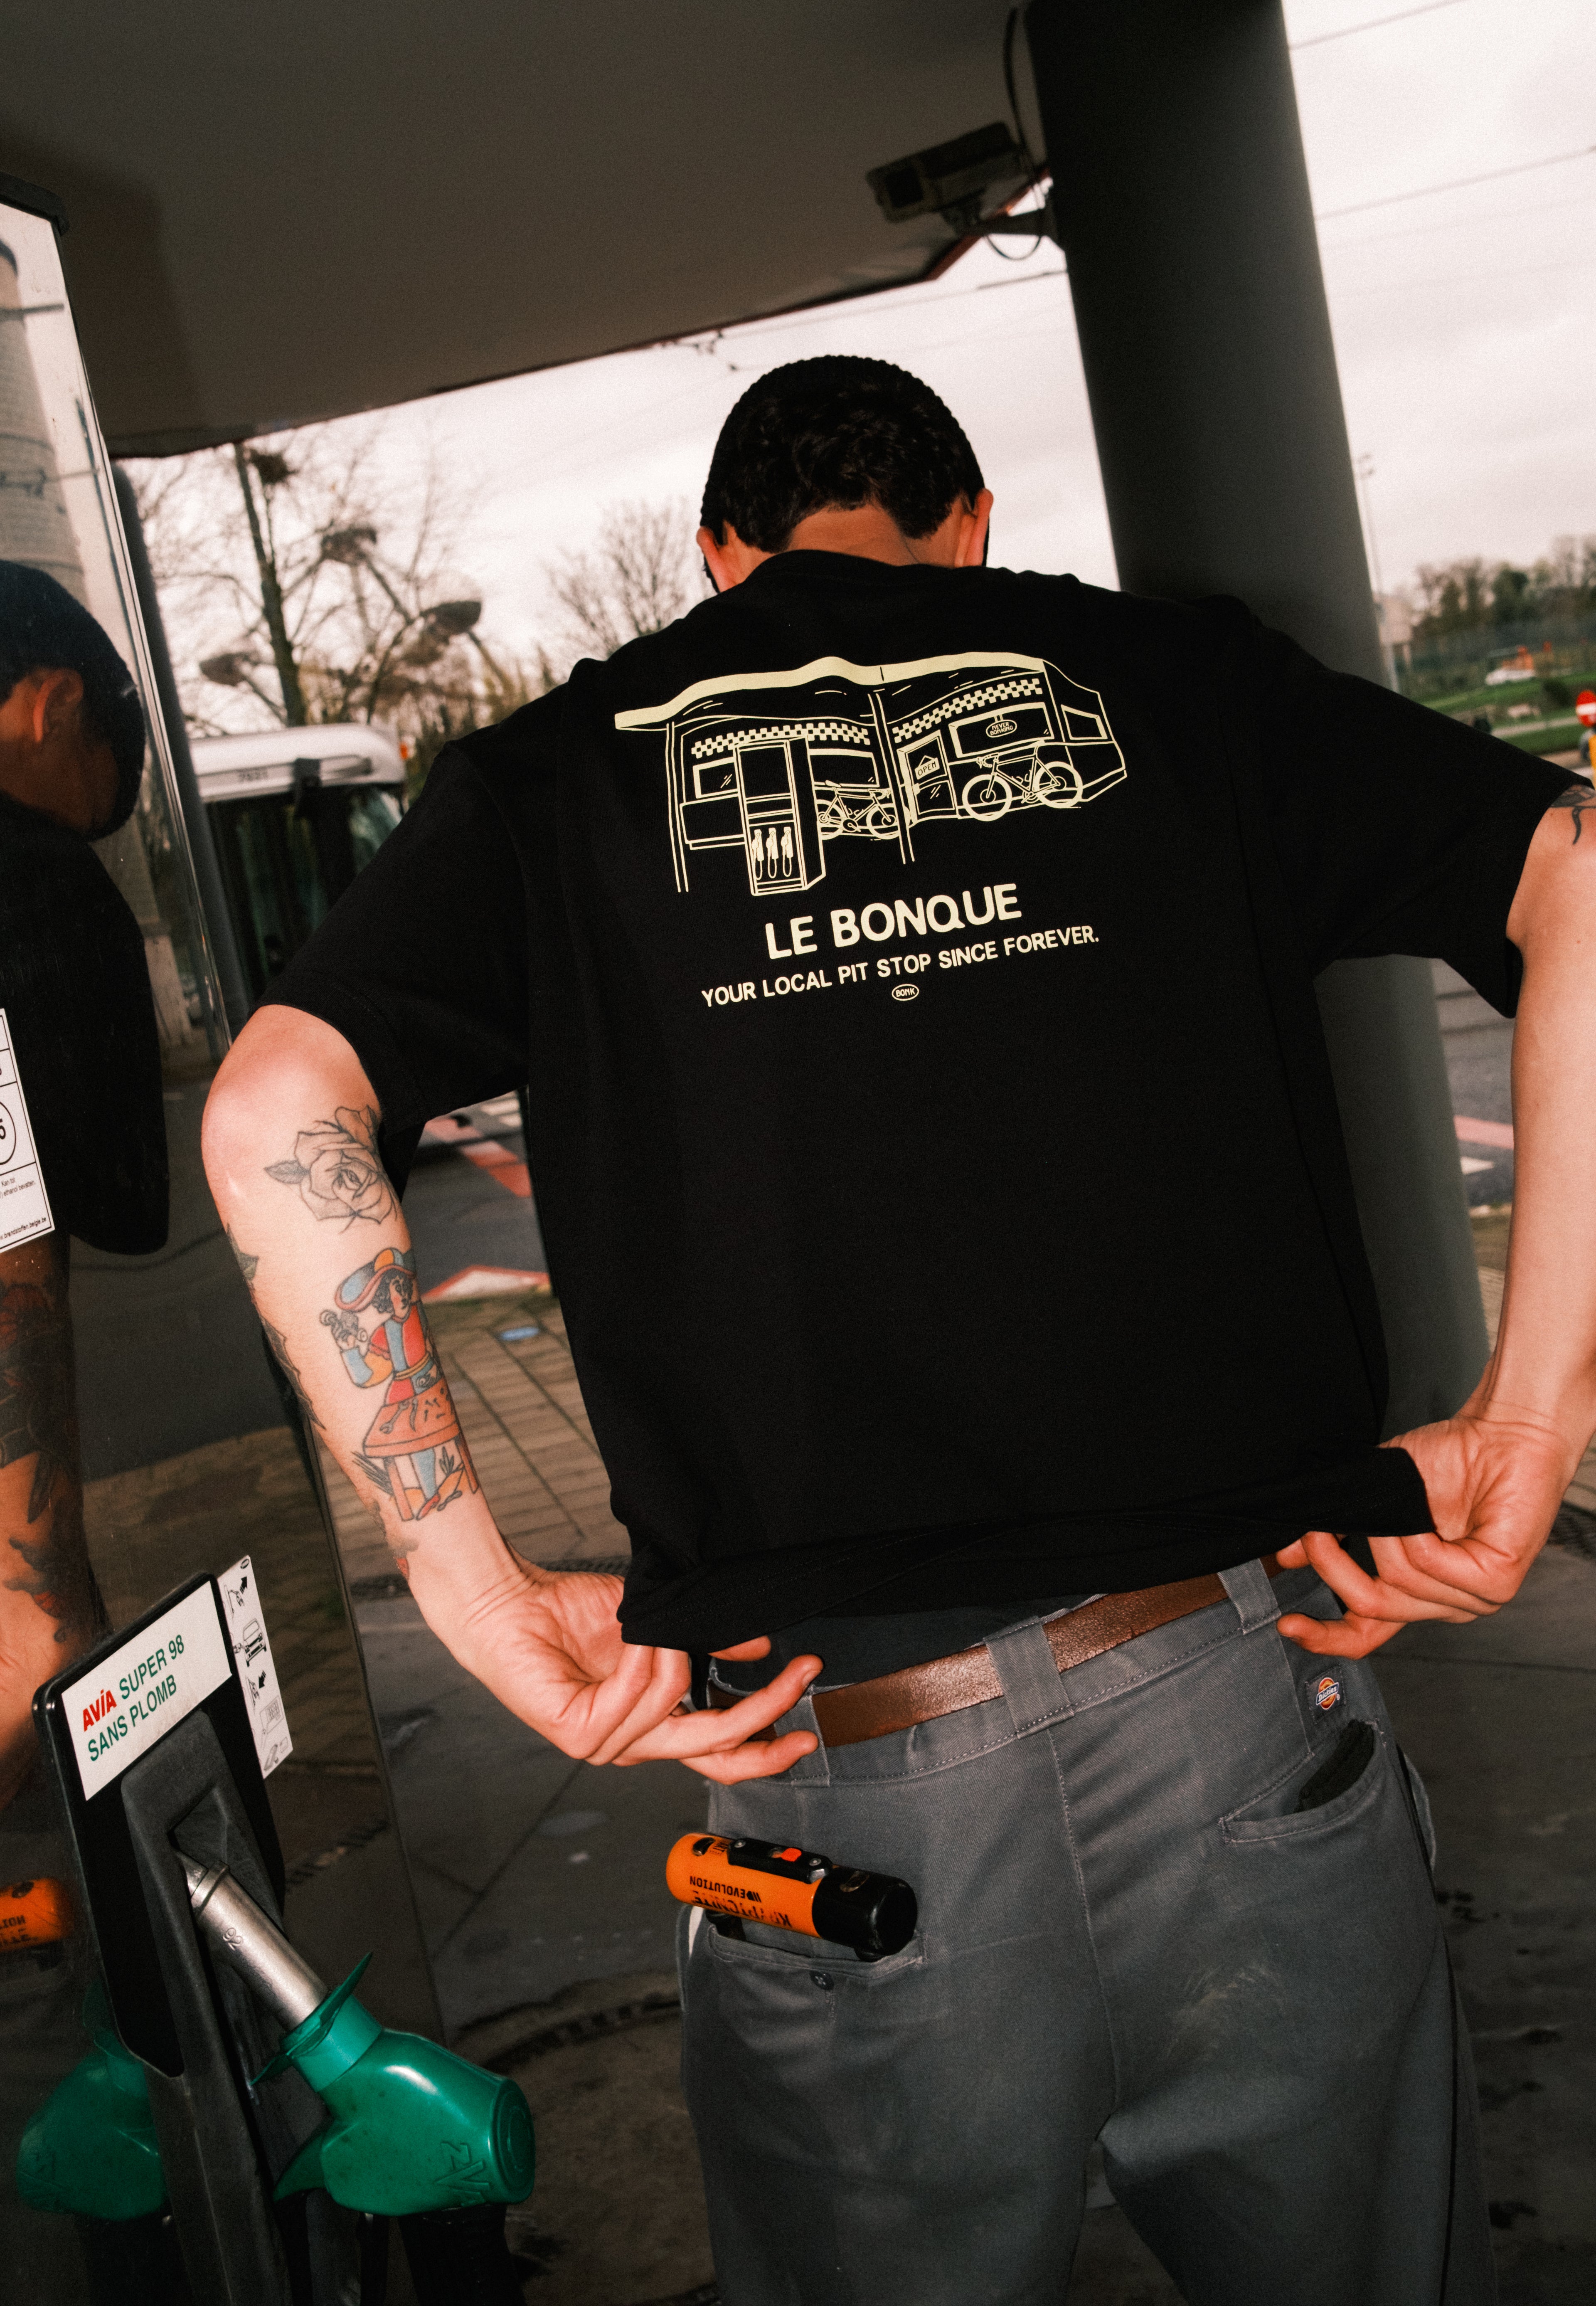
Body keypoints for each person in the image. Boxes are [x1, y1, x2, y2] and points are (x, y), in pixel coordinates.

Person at [201, 358, 1596, 2306]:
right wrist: (1534, 1415)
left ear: (719, 554)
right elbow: (1577, 871)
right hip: (1243, 1711)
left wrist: (469, 1577)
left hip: (843, 1782)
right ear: (971, 528)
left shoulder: (553, 782)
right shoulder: (1178, 684)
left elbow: (276, 1106)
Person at [0, 560, 164, 1805]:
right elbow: (19, 1244)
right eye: (94, 795)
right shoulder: (34, 886)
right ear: (54, 703)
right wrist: (43, 1605)